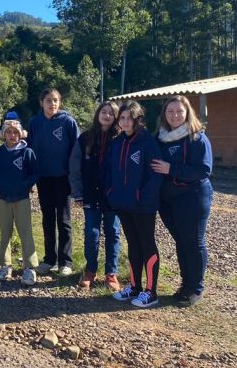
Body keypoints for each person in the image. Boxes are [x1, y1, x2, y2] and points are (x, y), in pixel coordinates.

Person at [151, 95, 213, 307]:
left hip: (193, 197)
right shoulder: (159, 138)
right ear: (164, 115)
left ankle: (196, 288)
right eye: (170, 112)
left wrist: (171, 169)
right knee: (181, 241)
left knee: (194, 242)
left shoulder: (197, 138)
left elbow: (204, 170)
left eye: (179, 111)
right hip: (168, 200)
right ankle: (185, 284)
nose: (175, 115)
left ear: (188, 113)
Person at [107, 101, 163, 308]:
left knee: (147, 245)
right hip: (123, 204)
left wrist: (142, 197)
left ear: (138, 119)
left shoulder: (148, 143)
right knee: (133, 245)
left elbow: (156, 174)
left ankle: (151, 291)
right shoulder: (117, 142)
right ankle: (134, 286)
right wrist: (111, 193)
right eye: (122, 118)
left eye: (129, 117)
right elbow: (110, 172)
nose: (125, 121)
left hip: (143, 206)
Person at [69, 101, 122, 291]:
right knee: (91, 234)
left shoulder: (120, 139)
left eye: (111, 113)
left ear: (116, 118)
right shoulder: (85, 138)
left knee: (113, 234)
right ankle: (90, 270)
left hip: (113, 198)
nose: (107, 116)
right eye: (104, 112)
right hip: (90, 195)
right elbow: (74, 167)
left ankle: (111, 274)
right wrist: (77, 193)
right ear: (98, 114)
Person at [27, 88, 79, 276]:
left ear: (60, 102)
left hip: (63, 178)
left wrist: (75, 177)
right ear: (42, 102)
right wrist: (31, 177)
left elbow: (77, 151)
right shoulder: (35, 122)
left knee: (63, 220)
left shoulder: (68, 122)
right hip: (43, 178)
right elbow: (29, 151)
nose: (52, 104)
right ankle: (50, 259)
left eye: (56, 100)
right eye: (48, 100)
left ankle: (66, 262)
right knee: (47, 219)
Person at [0, 112, 40, 286]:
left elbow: (35, 173)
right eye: (8, 132)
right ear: (3, 134)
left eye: (15, 132)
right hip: (3, 199)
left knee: (26, 233)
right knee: (5, 234)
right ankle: (5, 266)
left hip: (22, 199)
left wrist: (25, 185)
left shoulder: (27, 152)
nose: (12, 135)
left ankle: (29, 268)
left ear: (21, 133)